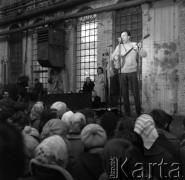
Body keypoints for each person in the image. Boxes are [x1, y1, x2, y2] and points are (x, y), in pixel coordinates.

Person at [112, 30, 147, 117]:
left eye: (124, 36)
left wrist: (139, 49)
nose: (122, 37)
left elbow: (144, 55)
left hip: (132, 72)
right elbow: (113, 56)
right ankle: (127, 114)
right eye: (121, 36)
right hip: (122, 73)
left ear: (129, 37)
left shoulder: (134, 45)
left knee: (136, 93)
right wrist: (115, 57)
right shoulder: (119, 47)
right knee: (124, 94)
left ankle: (139, 113)